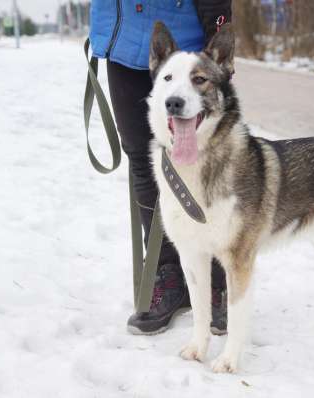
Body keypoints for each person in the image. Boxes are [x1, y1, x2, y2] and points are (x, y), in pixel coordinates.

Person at [89, 0, 232, 335]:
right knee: (141, 158)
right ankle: (167, 274)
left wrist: (219, 38)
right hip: (121, 41)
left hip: (186, 44)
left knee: (204, 157)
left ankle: (215, 279)